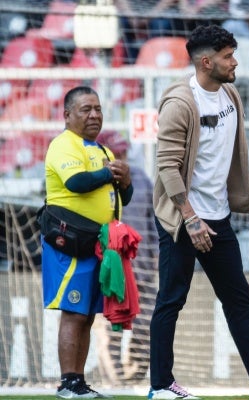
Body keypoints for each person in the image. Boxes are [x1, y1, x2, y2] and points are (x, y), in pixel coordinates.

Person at [148, 24, 249, 400]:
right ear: (207, 62)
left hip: (218, 217)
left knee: (237, 299)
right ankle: (160, 386)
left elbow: (231, 161)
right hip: (181, 221)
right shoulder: (180, 103)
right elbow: (168, 168)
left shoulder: (231, 95)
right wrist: (191, 218)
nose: (234, 62)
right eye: (227, 56)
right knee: (171, 300)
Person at [42, 86, 133, 399]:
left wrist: (126, 181)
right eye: (85, 109)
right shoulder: (63, 144)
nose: (94, 115)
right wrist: (110, 174)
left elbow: (123, 196)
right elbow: (77, 183)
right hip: (70, 243)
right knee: (74, 312)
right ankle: (68, 383)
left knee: (88, 315)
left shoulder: (101, 149)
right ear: (67, 115)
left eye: (97, 108)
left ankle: (78, 382)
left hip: (97, 245)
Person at [96, 129, 158, 382]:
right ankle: (115, 383)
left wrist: (157, 256)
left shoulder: (141, 178)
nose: (121, 156)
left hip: (142, 268)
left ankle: (134, 378)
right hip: (111, 269)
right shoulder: (95, 183)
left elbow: (154, 223)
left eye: (123, 151)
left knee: (147, 327)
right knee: (112, 327)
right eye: (115, 152)